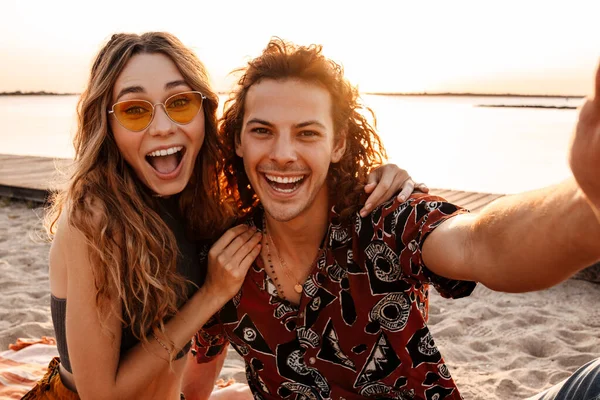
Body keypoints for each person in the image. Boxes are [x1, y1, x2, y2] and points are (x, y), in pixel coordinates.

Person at [185, 38, 600, 400]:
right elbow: (190, 388)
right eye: (262, 130)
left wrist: (588, 196)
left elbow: (480, 242)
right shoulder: (227, 263)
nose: (283, 153)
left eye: (307, 133)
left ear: (338, 144)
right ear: (237, 140)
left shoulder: (383, 219)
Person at [23, 32, 420, 399]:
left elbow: (286, 170)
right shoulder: (92, 216)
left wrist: (378, 178)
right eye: (134, 110)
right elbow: (100, 396)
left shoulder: (206, 197)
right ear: (107, 125)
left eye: (179, 102)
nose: (162, 127)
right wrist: (211, 294)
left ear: (203, 110)